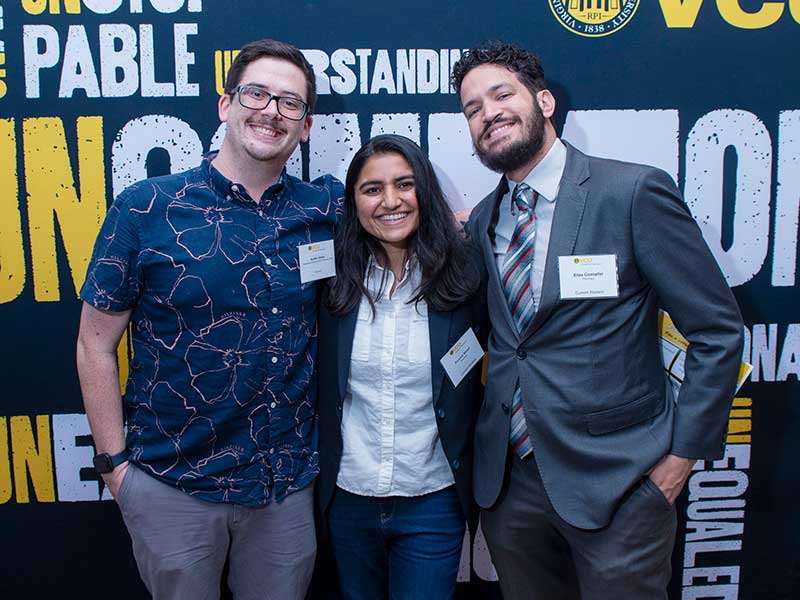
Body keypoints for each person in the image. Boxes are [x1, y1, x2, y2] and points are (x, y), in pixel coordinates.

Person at [451, 41, 745, 599]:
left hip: (622, 483)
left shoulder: (631, 192)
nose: (488, 113)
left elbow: (717, 331)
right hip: (511, 489)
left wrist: (679, 463)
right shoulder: (485, 220)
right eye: (472, 109)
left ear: (543, 101)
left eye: (500, 94)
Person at [76, 39, 342, 600]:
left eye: (290, 103)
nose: (271, 110)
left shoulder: (325, 211)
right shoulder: (147, 207)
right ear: (226, 105)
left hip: (283, 491)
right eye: (257, 94)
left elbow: (413, 214)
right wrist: (116, 470)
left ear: (307, 125)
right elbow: (94, 346)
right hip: (172, 486)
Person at [315, 134, 485, 600]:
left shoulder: (467, 274)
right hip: (348, 497)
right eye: (372, 189)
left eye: (404, 184)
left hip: (433, 498)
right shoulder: (330, 281)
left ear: (424, 191)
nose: (390, 201)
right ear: (354, 201)